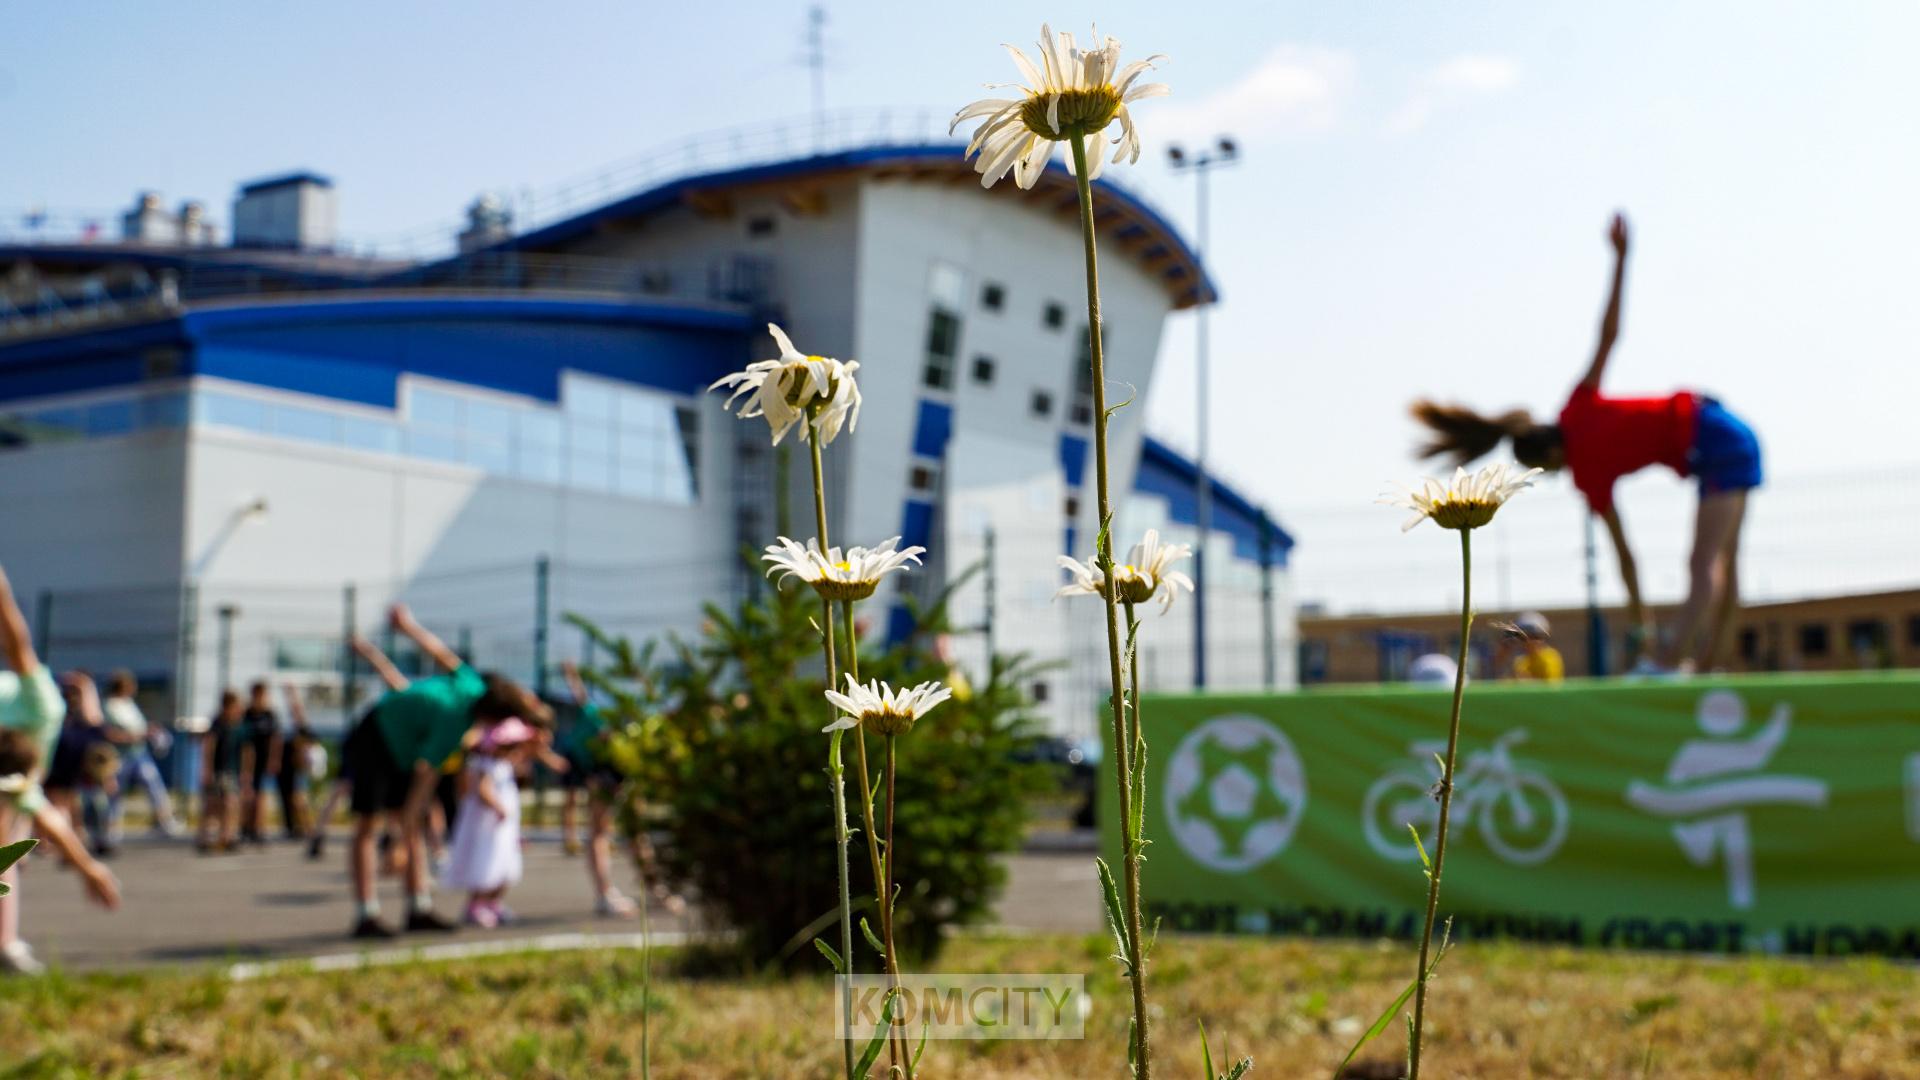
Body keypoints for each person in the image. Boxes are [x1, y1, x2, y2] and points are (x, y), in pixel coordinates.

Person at [1410, 213, 1763, 674]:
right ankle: (1709, 666)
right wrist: (1621, 258)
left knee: (1703, 563)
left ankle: (1674, 662)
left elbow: (1626, 558)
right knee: (1723, 562)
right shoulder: (1576, 408)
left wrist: (1643, 631)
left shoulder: (1587, 471)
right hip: (1717, 424)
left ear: (1552, 456)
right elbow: (1608, 335)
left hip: (1712, 441)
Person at [340, 604, 549, 939]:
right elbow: (425, 779)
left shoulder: (472, 683)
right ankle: (367, 912)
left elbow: (437, 651)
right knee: (368, 823)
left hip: (403, 747)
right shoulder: (454, 722)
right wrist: (396, 836)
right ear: (492, 718)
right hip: (375, 737)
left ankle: (418, 906)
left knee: (414, 825)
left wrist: (408, 626)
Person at [0, 564, 120, 976]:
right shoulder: (39, 707)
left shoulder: (36, 718)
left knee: (7, 851)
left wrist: (89, 868)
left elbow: (49, 818)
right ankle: (6, 945)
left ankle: (6, 944)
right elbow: (17, 644)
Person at [554, 662, 638, 918]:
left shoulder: (617, 729)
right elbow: (580, 695)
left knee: (610, 830)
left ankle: (616, 891)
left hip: (608, 771)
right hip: (595, 771)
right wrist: (572, 674)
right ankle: (605, 892)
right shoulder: (593, 717)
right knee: (597, 829)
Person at [442, 717, 536, 927]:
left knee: (504, 870)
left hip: (503, 829)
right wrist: (498, 807)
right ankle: (475, 905)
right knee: (485, 867)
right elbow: (482, 790)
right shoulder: (486, 764)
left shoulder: (505, 765)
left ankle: (493, 902)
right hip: (488, 828)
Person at [102, 671, 182, 840]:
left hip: (138, 754)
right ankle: (111, 830)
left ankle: (164, 821)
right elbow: (111, 733)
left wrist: (150, 730)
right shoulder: (110, 705)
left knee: (155, 787)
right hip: (119, 757)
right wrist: (139, 735)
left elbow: (139, 725)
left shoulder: (129, 703)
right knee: (115, 794)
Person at [197, 690, 247, 854]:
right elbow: (209, 747)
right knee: (216, 804)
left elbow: (246, 750)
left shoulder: (237, 725)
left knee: (229, 804)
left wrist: (245, 772)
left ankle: (227, 836)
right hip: (219, 771)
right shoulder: (218, 724)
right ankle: (207, 837)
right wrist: (207, 770)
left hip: (231, 771)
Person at [239, 681, 283, 845]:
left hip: (263, 759)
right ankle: (245, 827)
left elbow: (276, 739)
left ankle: (258, 828)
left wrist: (274, 759)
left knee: (261, 796)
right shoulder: (247, 714)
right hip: (247, 759)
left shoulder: (270, 714)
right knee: (247, 794)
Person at [277, 683, 318, 840]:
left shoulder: (302, 728)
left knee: (299, 798)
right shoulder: (287, 725)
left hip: (296, 766)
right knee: (290, 798)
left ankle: (309, 827)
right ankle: (296, 827)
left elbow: (309, 742)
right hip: (286, 765)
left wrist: (292, 694)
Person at [1494, 612, 1566, 683]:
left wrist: (1525, 681)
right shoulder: (1521, 661)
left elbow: (1550, 688)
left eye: (1532, 636)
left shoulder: (1550, 657)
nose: (1527, 641)